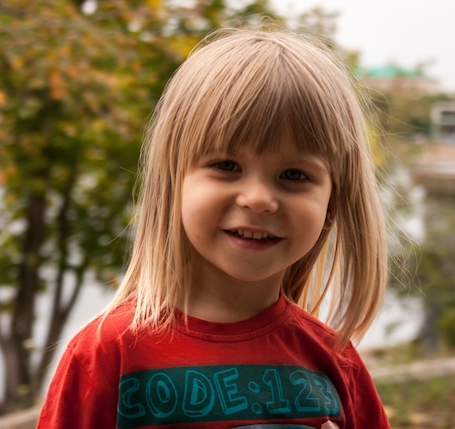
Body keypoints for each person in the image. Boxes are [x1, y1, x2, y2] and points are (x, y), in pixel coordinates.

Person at [36, 27, 390, 429]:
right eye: (226, 166)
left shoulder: (336, 363)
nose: (258, 199)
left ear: (332, 204)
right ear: (175, 183)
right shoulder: (109, 353)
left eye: (294, 174)